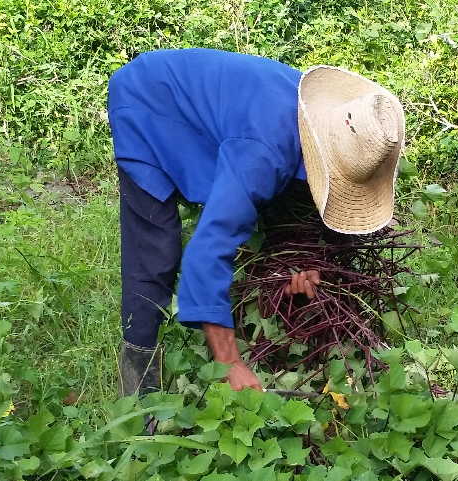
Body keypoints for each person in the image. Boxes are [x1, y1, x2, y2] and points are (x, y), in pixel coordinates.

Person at [108, 48, 405, 396]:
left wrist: (303, 264)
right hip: (147, 101)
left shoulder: (325, 118)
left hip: (236, 121)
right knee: (156, 252)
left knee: (258, 209)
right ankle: (139, 390)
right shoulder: (263, 154)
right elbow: (207, 252)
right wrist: (230, 363)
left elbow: (292, 212)